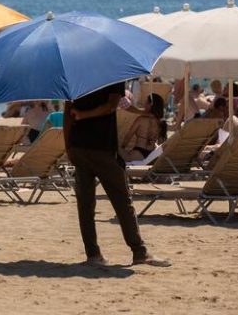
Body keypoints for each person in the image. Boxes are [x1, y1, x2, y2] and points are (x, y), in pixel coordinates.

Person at [64, 82, 170, 267]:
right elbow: (111, 106)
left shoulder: (74, 75)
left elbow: (67, 113)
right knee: (122, 200)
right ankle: (139, 252)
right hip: (102, 148)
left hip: (79, 146)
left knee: (86, 204)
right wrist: (84, 115)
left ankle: (93, 255)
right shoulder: (112, 73)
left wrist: (68, 147)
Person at [119, 93, 167, 162]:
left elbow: (128, 137)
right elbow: (161, 143)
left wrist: (122, 148)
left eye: (146, 102)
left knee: (115, 148)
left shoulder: (140, 119)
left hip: (137, 154)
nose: (144, 104)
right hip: (151, 155)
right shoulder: (161, 123)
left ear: (150, 105)